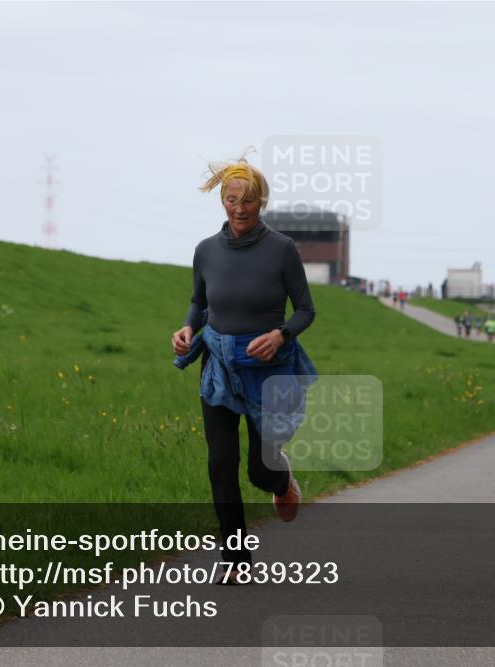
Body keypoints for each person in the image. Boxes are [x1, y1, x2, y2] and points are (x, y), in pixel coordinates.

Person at [171, 153, 316, 584]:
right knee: (220, 463)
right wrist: (186, 326)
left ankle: (281, 477)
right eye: (232, 199)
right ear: (222, 201)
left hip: (266, 369)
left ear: (262, 202)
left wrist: (281, 335)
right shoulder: (205, 251)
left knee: (258, 470)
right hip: (217, 367)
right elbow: (200, 301)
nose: (239, 208)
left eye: (248, 200)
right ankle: (235, 562)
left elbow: (305, 310)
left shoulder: (282, 250)